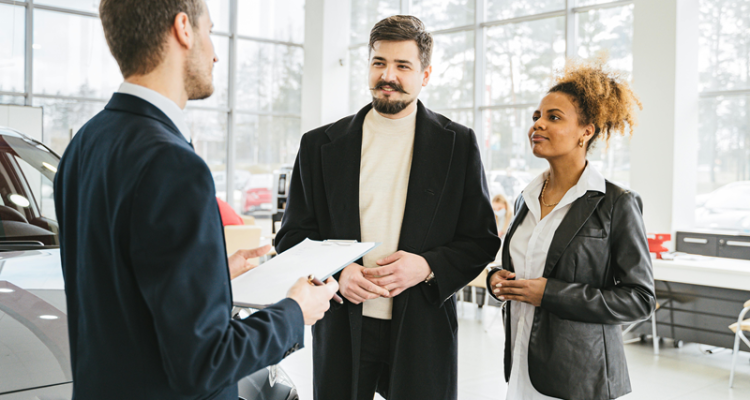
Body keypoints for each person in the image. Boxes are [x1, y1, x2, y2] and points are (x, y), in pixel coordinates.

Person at [54, 1, 338, 399]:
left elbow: (116, 293)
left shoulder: (85, 144)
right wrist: (295, 311)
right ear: (184, 29)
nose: (215, 52)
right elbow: (205, 362)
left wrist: (210, 277)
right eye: (211, 31)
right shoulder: (173, 164)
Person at [275, 15, 500, 400]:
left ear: (425, 75)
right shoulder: (318, 146)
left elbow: (480, 239)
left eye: (402, 66)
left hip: (422, 330)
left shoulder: (458, 144)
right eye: (379, 62)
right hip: (343, 325)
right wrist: (337, 272)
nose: (388, 76)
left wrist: (427, 267)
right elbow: (292, 235)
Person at [486, 58, 655, 400]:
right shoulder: (527, 197)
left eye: (554, 117)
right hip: (522, 365)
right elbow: (524, 268)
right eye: (536, 116)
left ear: (586, 131)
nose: (538, 124)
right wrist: (496, 279)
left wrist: (549, 294)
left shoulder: (615, 203)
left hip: (579, 377)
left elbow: (639, 299)